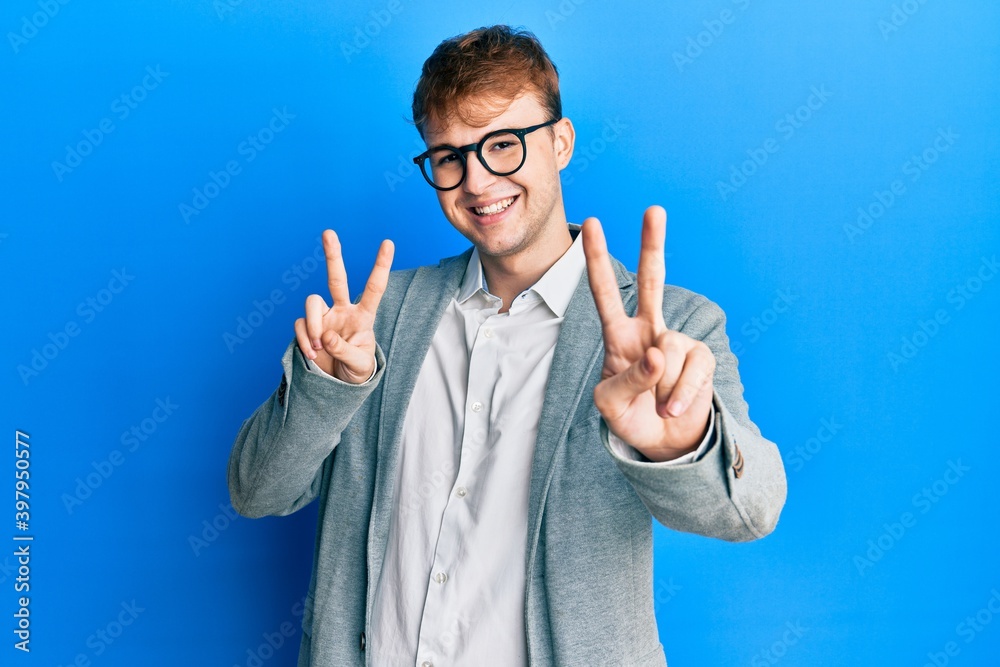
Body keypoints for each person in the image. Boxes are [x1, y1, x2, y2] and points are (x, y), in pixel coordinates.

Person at [228, 24, 787, 667]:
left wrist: (681, 442)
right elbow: (255, 492)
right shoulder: (374, 320)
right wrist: (325, 392)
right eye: (449, 156)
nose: (477, 181)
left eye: (503, 145)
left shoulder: (672, 327)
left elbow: (752, 510)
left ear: (561, 142)